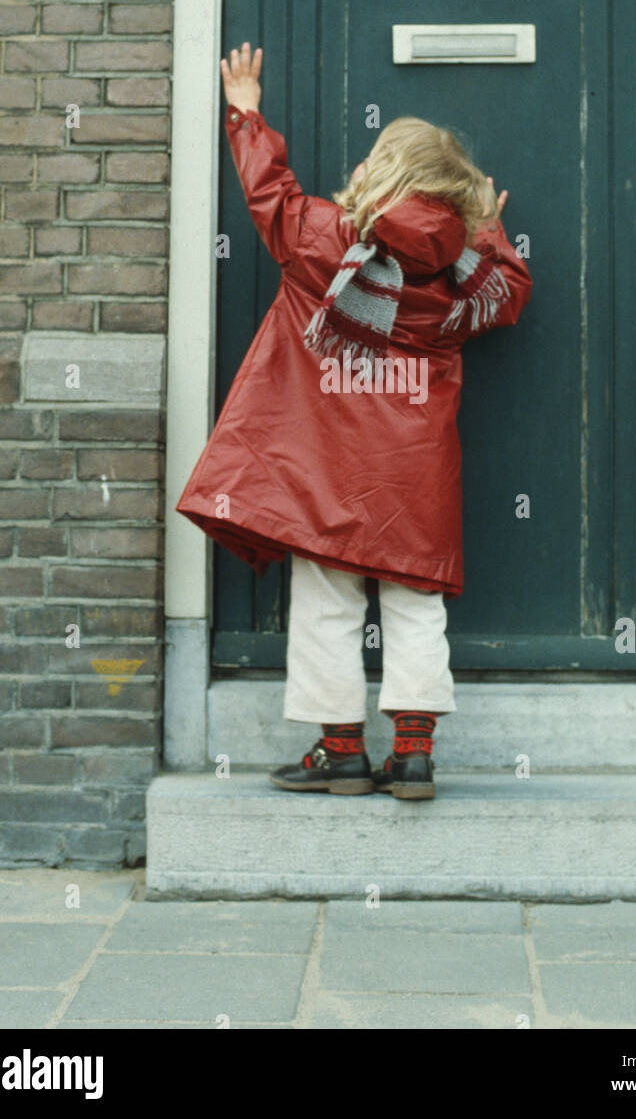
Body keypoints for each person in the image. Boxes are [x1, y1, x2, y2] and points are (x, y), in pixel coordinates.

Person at [177, 42, 532, 800]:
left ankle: (339, 751)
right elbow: (511, 294)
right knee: (415, 606)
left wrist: (246, 110)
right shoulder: (463, 273)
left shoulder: (323, 241)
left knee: (325, 602)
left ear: (376, 177)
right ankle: (413, 754)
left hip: (328, 473)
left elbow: (268, 193)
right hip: (416, 480)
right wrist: (491, 235)